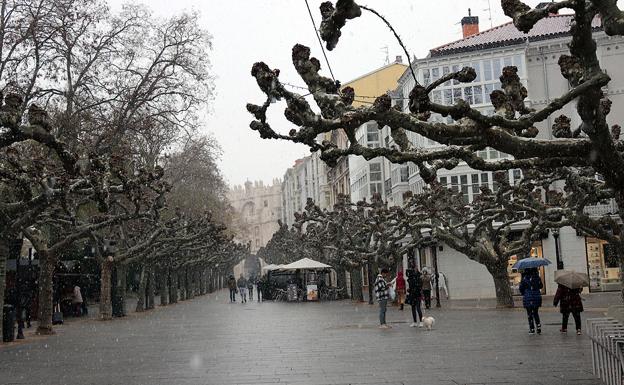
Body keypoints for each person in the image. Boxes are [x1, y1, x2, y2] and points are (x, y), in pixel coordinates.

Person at [519, 268, 543, 335]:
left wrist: (525, 292)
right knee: (535, 313)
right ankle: (538, 326)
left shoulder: (524, 278)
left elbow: (521, 288)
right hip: (537, 297)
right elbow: (541, 286)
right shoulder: (537, 277)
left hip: (528, 298)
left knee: (530, 314)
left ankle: (532, 329)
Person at [406, 258, 423, 328]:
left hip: (417, 293)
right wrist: (409, 290)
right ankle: (415, 321)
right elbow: (409, 281)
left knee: (418, 308)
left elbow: (419, 285)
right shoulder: (411, 276)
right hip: (412, 293)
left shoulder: (417, 276)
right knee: (413, 307)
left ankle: (421, 321)